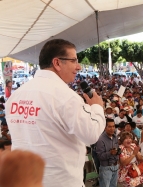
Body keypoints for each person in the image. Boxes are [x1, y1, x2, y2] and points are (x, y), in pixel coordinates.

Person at [5, 39, 106, 187]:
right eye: (74, 60)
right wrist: (97, 107)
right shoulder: (65, 96)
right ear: (57, 63)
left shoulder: (16, 96)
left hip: (26, 181)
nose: (78, 67)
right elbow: (91, 135)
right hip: (61, 181)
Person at [96, 118, 119, 187]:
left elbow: (117, 150)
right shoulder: (100, 139)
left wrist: (118, 151)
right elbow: (100, 156)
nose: (112, 128)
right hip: (106, 168)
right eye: (109, 126)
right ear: (105, 127)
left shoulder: (115, 137)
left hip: (115, 166)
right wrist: (110, 153)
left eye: (113, 126)